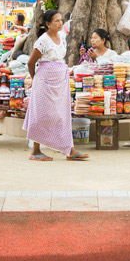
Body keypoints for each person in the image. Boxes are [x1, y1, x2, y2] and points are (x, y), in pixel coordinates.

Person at [23, 9, 89, 162]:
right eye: (57, 21)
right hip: (44, 81)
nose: (60, 23)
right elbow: (31, 62)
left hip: (60, 81)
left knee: (62, 114)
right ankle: (36, 151)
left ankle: (69, 149)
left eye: (61, 20)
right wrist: (35, 79)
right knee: (41, 115)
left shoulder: (62, 37)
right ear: (48, 24)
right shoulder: (42, 41)